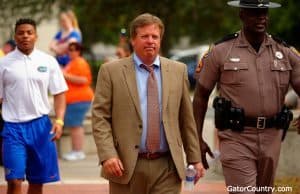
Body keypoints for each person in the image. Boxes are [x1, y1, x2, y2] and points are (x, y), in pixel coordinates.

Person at [193, 0, 300, 193]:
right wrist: (197, 139)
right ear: (241, 15)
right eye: (254, 13)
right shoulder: (221, 50)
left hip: (272, 138)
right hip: (236, 137)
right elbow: (200, 96)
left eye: (264, 13)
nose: (261, 18)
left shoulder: (284, 52)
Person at [92, 13, 205, 194]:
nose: (150, 41)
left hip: (167, 167)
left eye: (155, 36)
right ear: (133, 40)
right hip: (126, 166)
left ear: (160, 40)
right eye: (144, 36)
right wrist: (108, 155)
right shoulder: (111, 71)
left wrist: (194, 158)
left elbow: (186, 119)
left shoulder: (178, 70)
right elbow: (100, 117)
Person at [0, 18, 68, 194]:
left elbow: (59, 93)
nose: (25, 36)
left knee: (37, 182)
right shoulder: (4, 63)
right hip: (12, 129)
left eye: (29, 32)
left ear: (36, 36)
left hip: (41, 127)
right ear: (15, 36)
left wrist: (59, 121)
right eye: (21, 33)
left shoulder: (48, 61)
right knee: (14, 180)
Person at [62, 42, 94, 161]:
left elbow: (84, 80)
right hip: (75, 99)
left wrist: (64, 75)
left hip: (79, 99)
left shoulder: (79, 62)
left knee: (76, 126)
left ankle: (78, 151)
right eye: (69, 49)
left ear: (78, 51)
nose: (70, 52)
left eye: (73, 50)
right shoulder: (73, 62)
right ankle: (76, 150)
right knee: (75, 125)